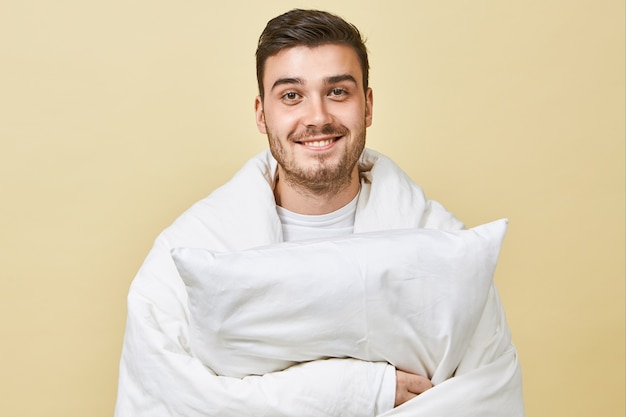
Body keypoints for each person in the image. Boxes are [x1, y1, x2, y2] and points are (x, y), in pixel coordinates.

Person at [115, 9, 523, 416]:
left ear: (367, 106)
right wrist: (362, 390)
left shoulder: (445, 248)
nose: (318, 117)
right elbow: (164, 399)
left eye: (338, 92)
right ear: (262, 113)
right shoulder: (188, 250)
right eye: (291, 95)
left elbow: (489, 396)